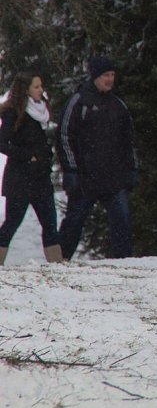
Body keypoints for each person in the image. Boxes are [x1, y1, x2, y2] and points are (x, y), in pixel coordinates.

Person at [57, 56, 138, 260]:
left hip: (114, 177)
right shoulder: (79, 101)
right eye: (105, 75)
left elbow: (128, 140)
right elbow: (64, 136)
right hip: (86, 178)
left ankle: (124, 262)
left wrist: (131, 169)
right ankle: (59, 261)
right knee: (74, 221)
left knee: (122, 221)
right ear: (94, 76)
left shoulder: (118, 105)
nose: (110, 79)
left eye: (112, 75)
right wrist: (71, 170)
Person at [0, 72, 62, 265]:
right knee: (12, 222)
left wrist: (45, 155)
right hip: (20, 178)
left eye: (41, 86)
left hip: (41, 176)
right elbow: (2, 143)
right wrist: (27, 156)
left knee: (50, 222)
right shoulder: (13, 112)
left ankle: (56, 264)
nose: (41, 90)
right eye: (36, 87)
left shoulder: (42, 111)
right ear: (25, 90)